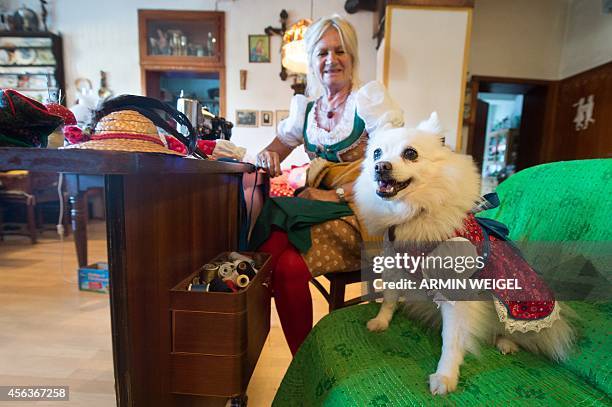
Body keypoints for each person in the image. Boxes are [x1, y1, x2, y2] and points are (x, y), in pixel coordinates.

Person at [250, 15, 403, 355]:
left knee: (284, 262)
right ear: (312, 61)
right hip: (319, 214)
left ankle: (299, 357)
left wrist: (329, 192)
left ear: (352, 57)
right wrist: (267, 159)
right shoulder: (306, 111)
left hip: (360, 215)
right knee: (270, 249)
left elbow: (388, 172)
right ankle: (275, 349)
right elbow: (269, 151)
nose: (331, 60)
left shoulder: (368, 104)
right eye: (321, 53)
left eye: (340, 51)